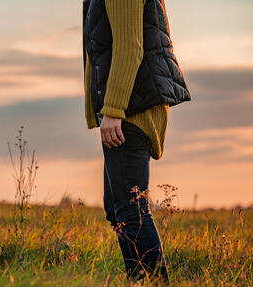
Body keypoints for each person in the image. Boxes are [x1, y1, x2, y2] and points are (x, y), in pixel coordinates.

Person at [82, 0, 191, 282]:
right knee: (119, 209)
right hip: (129, 107)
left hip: (131, 109)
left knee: (131, 208)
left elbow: (130, 47)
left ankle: (157, 282)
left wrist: (114, 109)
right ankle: (138, 280)